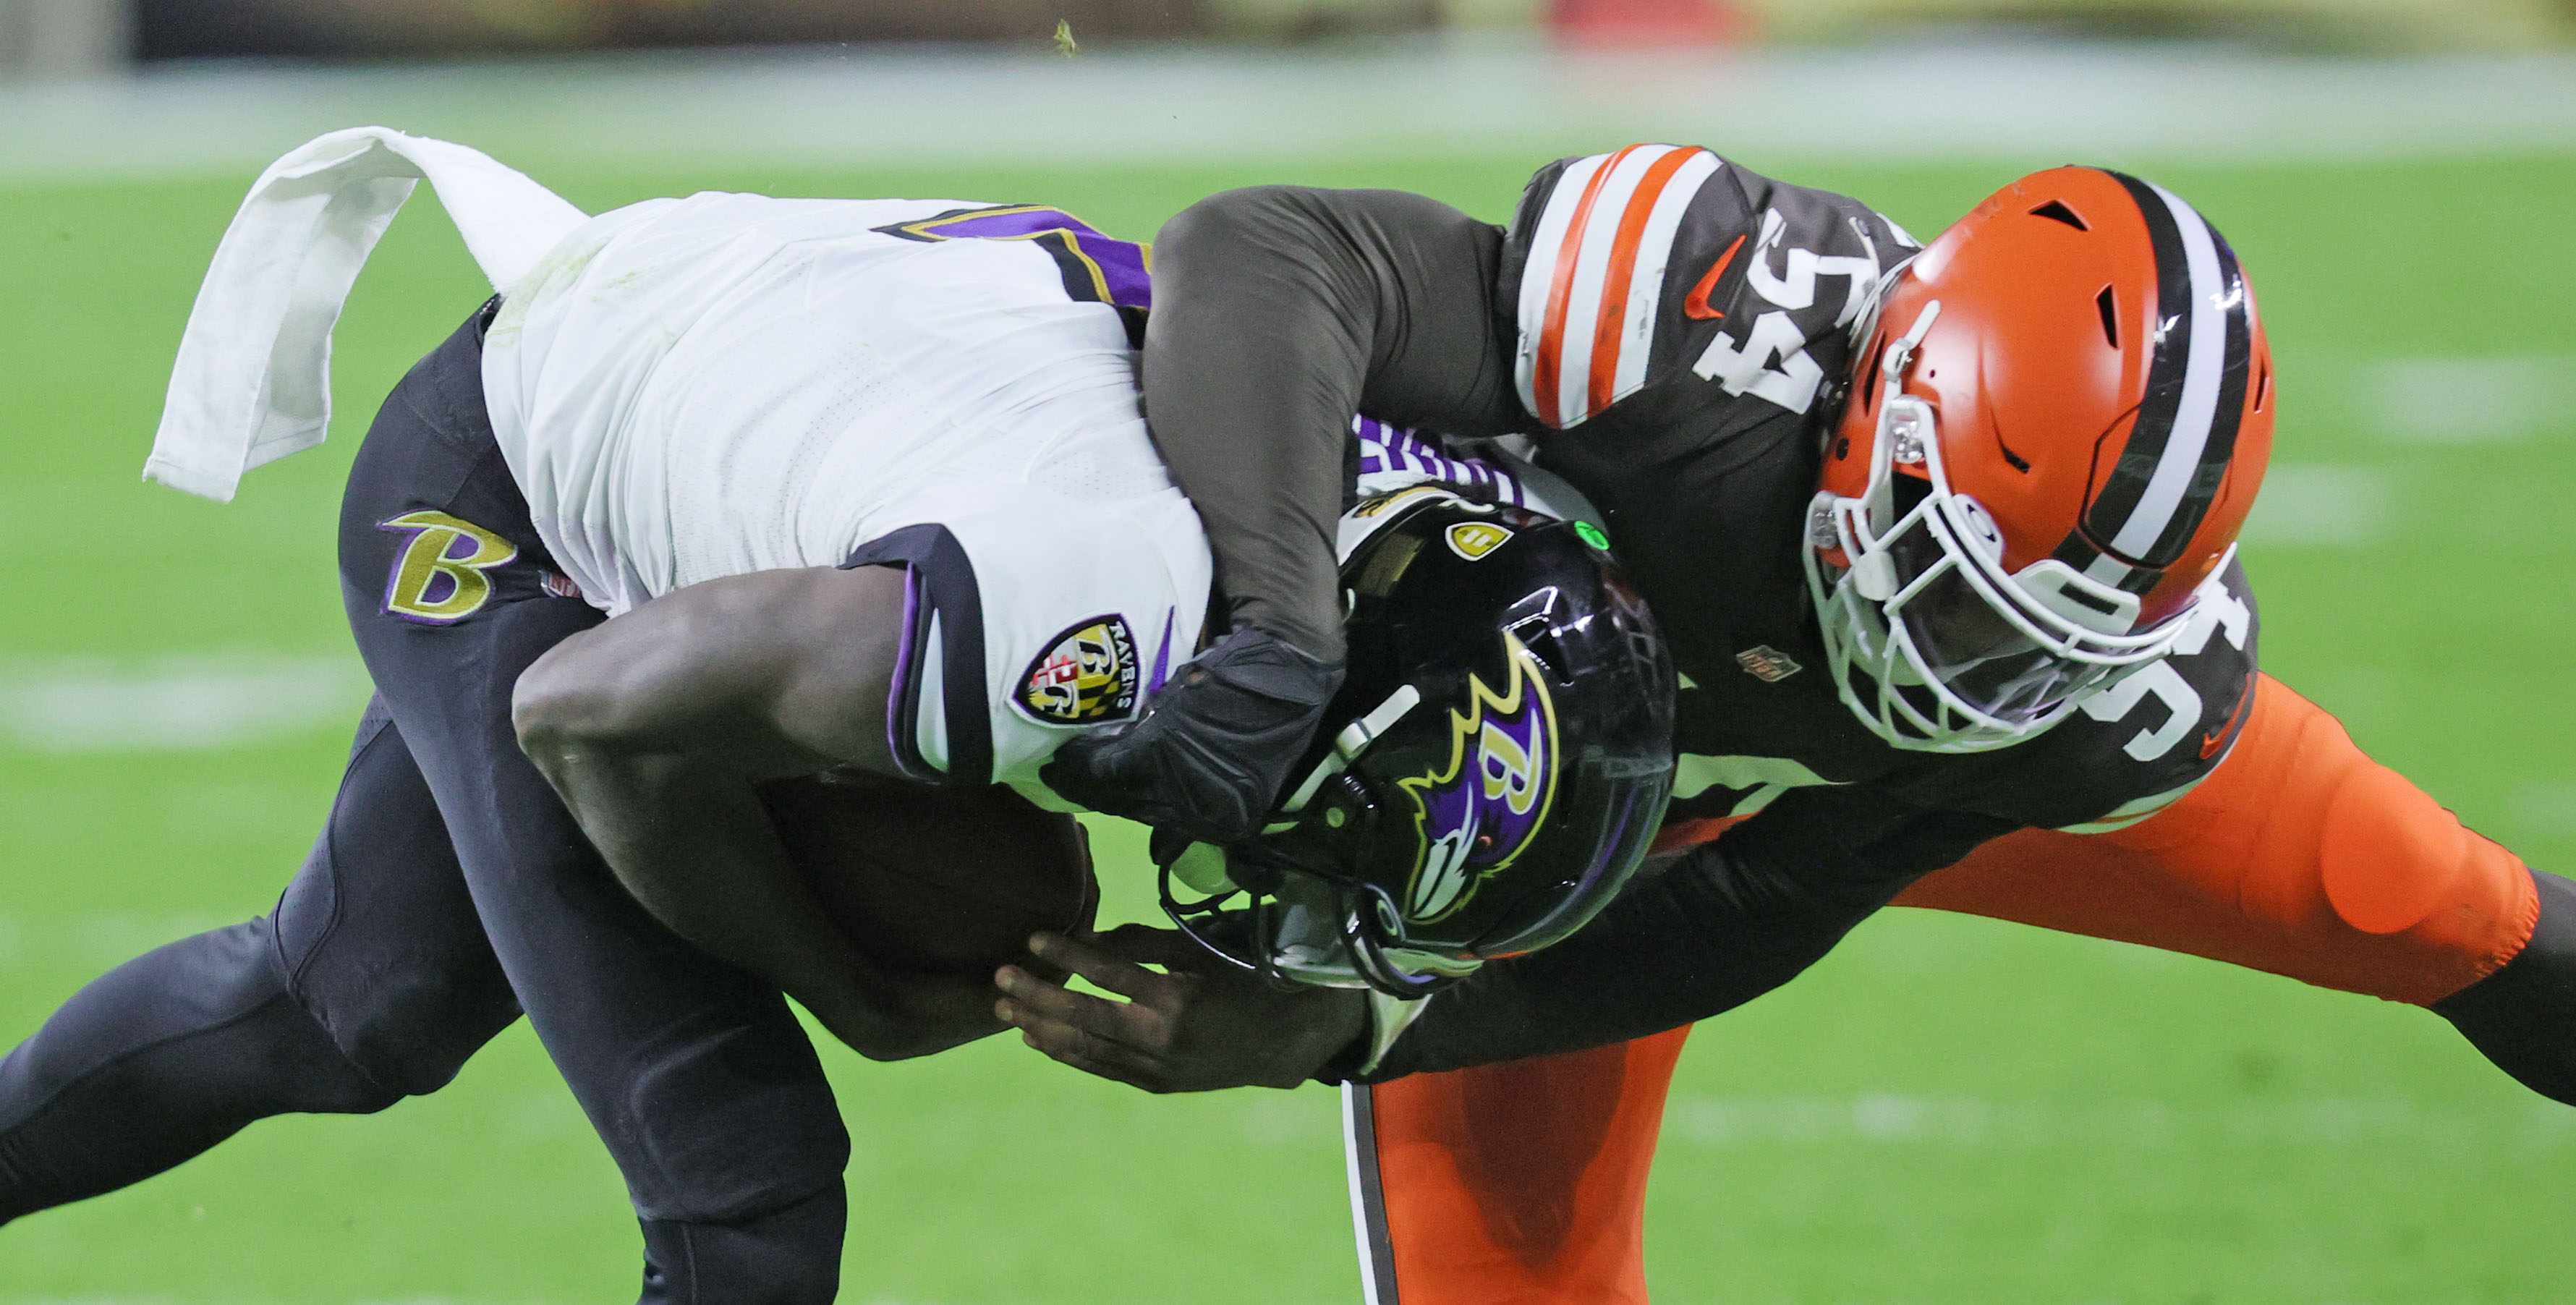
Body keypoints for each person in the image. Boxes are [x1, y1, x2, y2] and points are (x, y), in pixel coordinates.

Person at [0, 129, 1673, 1300]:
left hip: (733, 382)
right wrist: (840, 978)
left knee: (347, 1000)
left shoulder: (1410, 499)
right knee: (749, 1195)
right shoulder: (1088, 619)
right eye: (1349, 856)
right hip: (521, 487)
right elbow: (582, 709)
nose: (1308, 898)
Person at [1000, 150, 2575, 1304]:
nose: (1967, 675)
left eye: (2034, 644)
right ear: (1871, 418)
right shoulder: (1693, 346)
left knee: (2454, 914)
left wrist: (1336, 1027)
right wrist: (1283, 627)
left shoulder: (2064, 706)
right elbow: (1266, 251)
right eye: (1953, 602)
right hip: (1542, 794)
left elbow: (1778, 889)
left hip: (1786, 812)